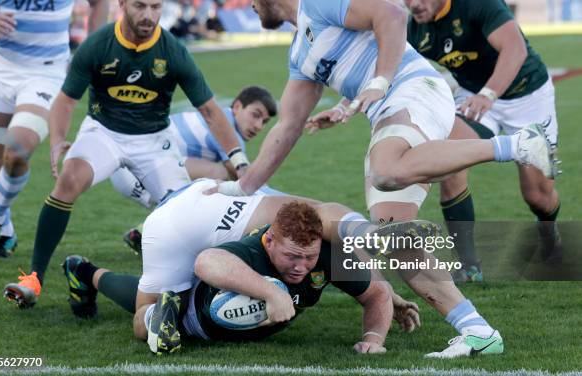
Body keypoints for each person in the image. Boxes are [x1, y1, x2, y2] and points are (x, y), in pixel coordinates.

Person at [207, 0, 537, 357]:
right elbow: (287, 127)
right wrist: (241, 187)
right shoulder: (300, 52)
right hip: (391, 110)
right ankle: (478, 332)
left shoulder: (317, 4)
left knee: (386, 170)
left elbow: (392, 14)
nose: (249, 5)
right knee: (393, 239)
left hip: (413, 89)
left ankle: (514, 145)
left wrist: (379, 81)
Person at [60, 178, 501, 358]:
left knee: (318, 216)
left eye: (310, 257)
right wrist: (272, 293)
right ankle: (90, 274)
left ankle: (370, 232)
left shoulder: (304, 234)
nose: (303, 265)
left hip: (222, 205)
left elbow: (366, 285)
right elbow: (206, 259)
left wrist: (384, 292)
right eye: (294, 257)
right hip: (175, 227)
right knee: (146, 320)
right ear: (271, 240)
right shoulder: (264, 241)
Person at [2, 0, 248, 308]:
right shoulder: (99, 45)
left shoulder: (172, 50)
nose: (148, 15)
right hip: (103, 132)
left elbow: (210, 110)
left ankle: (204, 284)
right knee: (68, 180)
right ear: (122, 5)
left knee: (189, 212)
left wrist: (238, 159)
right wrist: (58, 142)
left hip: (154, 139)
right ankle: (33, 279)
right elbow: (65, 101)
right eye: (139, 6)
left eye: (156, 7)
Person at [404, 0, 564, 274]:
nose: (413, 4)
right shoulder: (415, 29)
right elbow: (387, 66)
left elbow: (515, 48)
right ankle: (468, 267)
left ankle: (549, 233)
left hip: (528, 97)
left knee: (538, 196)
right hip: (473, 96)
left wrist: (489, 94)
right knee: (448, 158)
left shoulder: (477, 4)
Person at [0, 0, 109, 260]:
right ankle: (5, 231)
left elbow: (99, 3)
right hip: (2, 70)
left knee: (17, 150)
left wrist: (90, 48)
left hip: (46, 73)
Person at [109, 85, 278, 210]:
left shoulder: (220, 117)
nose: (258, 126)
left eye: (264, 121)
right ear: (237, 107)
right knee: (219, 176)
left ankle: (143, 233)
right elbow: (247, 179)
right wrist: (278, 202)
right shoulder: (225, 127)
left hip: (127, 167)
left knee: (214, 188)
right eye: (255, 115)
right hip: (133, 171)